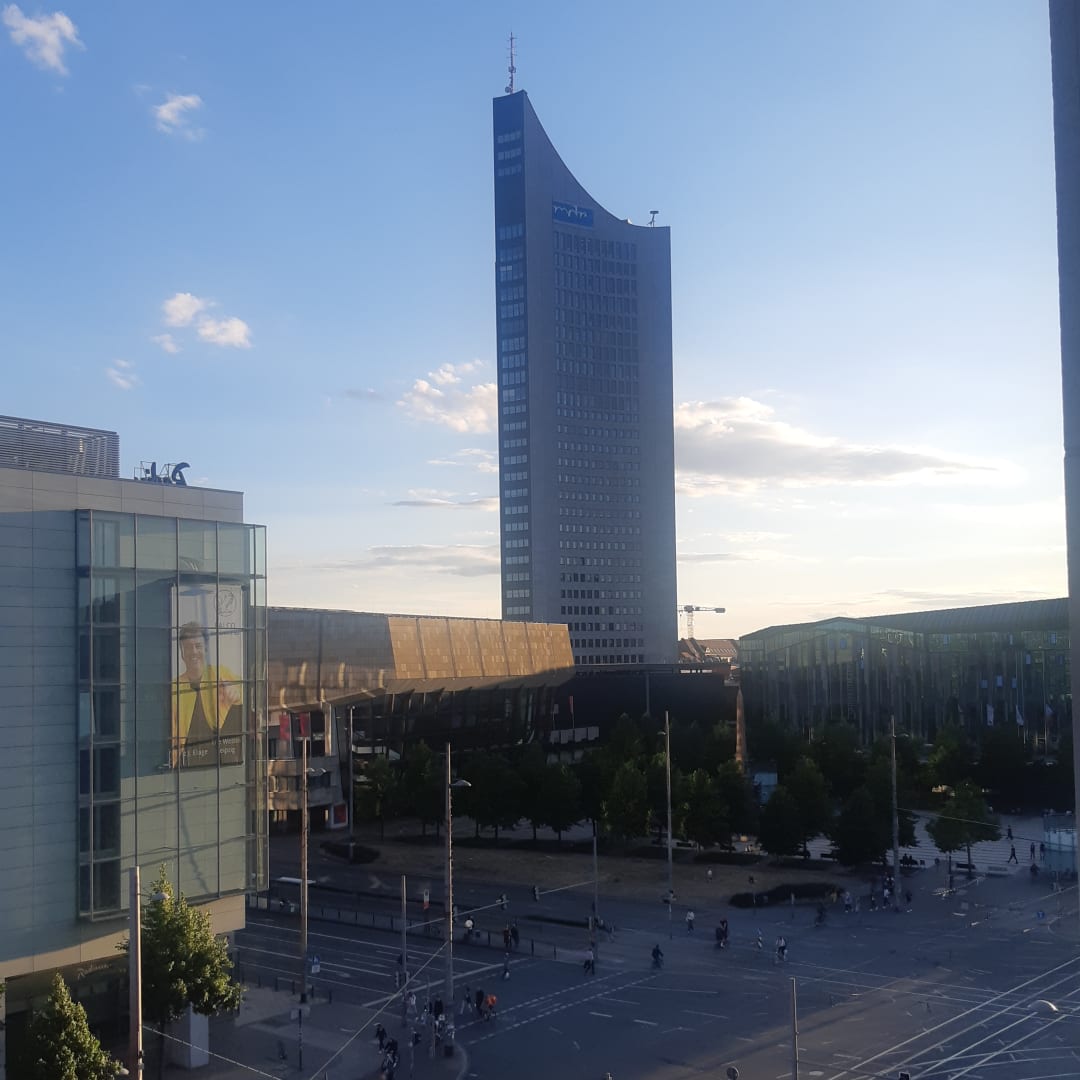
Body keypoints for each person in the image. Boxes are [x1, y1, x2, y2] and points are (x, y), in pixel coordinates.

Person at [172, 621, 243, 768]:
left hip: (220, 762)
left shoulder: (220, 673)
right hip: (185, 764)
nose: (193, 652)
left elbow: (243, 688)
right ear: (182, 654)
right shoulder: (174, 688)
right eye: (188, 647)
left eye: (198, 646)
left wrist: (235, 693)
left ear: (205, 649)